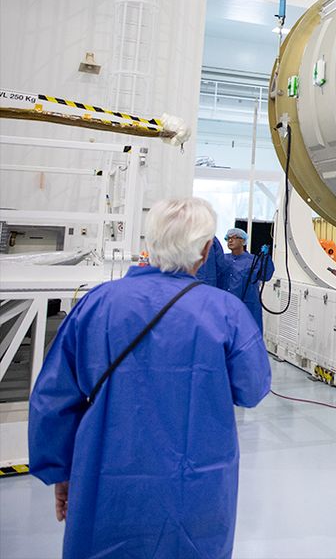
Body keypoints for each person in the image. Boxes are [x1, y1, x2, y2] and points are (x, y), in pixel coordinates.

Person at [28, 197, 271, 559]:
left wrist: (61, 472)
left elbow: (52, 399)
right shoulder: (225, 313)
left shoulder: (97, 303)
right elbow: (252, 389)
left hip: (106, 478)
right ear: (206, 251)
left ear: (149, 243)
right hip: (196, 484)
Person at [219, 227, 274, 332]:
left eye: (234, 237)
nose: (230, 240)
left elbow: (266, 276)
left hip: (247, 306)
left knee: (247, 334)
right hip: (225, 305)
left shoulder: (253, 260)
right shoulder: (223, 259)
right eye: (228, 238)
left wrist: (266, 258)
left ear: (243, 241)